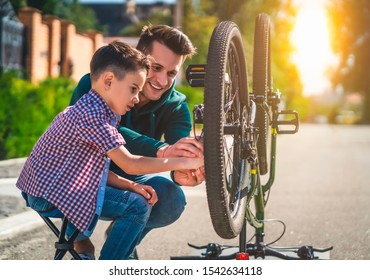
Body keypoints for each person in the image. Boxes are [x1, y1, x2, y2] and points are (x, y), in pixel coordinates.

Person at [16, 41, 203, 260]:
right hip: (51, 192)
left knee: (139, 196)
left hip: (49, 187)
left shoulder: (92, 108)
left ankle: (94, 252)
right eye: (133, 89)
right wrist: (182, 162)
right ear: (109, 81)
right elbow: (130, 163)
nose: (136, 98)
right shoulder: (94, 118)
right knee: (137, 206)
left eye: (139, 91)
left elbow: (96, 169)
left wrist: (131, 184)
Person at [70, 24, 205, 259]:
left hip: (132, 178)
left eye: (172, 73)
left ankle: (122, 240)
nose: (163, 81)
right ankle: (80, 241)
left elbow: (178, 152)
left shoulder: (176, 105)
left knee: (173, 198)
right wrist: (162, 150)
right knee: (71, 171)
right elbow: (105, 130)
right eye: (156, 68)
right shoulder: (97, 83)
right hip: (83, 175)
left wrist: (182, 170)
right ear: (141, 58)